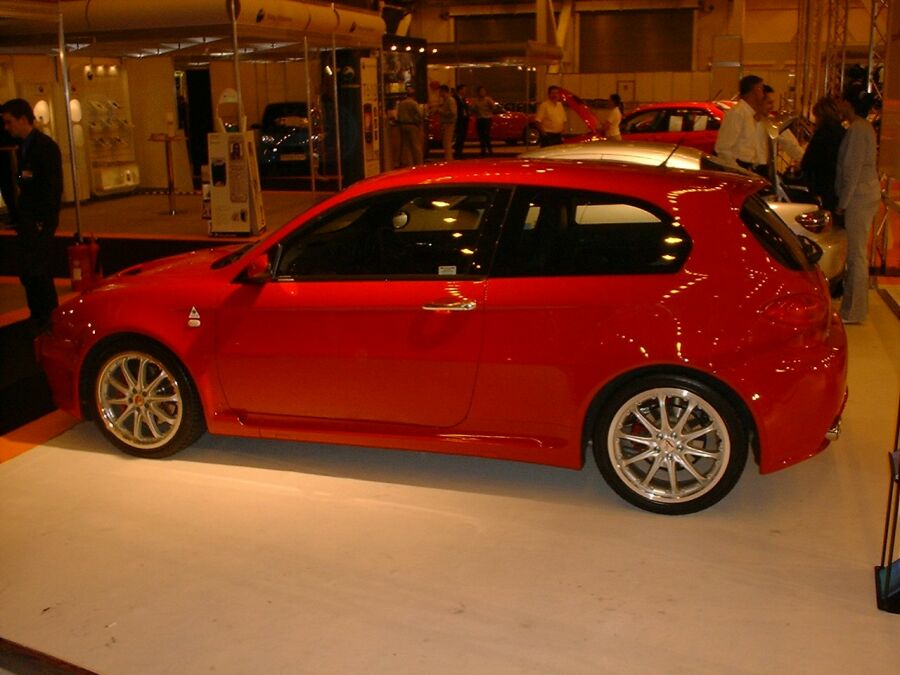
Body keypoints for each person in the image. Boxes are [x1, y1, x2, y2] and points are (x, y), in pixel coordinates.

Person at [1, 98, 62, 333]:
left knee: (39, 271)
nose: (7, 127)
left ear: (23, 119)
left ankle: (48, 317)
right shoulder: (23, 147)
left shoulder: (45, 148)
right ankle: (38, 315)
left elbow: (52, 188)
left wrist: (42, 220)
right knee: (29, 272)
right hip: (28, 219)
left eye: (9, 122)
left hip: (39, 220)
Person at [835, 90, 881, 324]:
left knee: (856, 255)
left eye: (842, 101)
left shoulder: (857, 130)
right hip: (865, 194)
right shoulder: (863, 128)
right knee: (857, 254)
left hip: (859, 197)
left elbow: (851, 170)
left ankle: (854, 310)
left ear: (849, 104)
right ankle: (853, 308)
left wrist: (842, 203)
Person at [714, 74, 767, 174]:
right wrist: (738, 170)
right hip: (741, 168)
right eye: (760, 89)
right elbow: (723, 148)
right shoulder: (737, 113)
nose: (763, 94)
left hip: (754, 169)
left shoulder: (753, 115)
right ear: (752, 92)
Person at [801, 96, 844, 212]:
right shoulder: (842, 132)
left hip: (823, 183)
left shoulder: (821, 134)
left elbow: (807, 162)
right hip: (838, 182)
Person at [757, 84, 804, 170]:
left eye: (773, 103)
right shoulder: (745, 120)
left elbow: (792, 146)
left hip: (765, 171)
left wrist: (804, 161)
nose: (772, 106)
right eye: (769, 103)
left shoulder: (772, 123)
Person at [395, 85, 423, 167]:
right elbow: (420, 114)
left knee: (406, 147)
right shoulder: (414, 103)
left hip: (403, 126)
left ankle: (409, 164)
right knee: (416, 146)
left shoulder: (401, 104)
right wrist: (418, 121)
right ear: (414, 96)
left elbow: (398, 115)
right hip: (413, 126)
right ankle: (419, 164)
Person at [433, 84, 457, 161]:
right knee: (445, 143)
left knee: (447, 143)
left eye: (440, 91)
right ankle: (448, 158)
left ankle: (449, 160)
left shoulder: (450, 100)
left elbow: (453, 113)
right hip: (445, 124)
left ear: (444, 91)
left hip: (449, 124)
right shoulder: (445, 100)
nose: (439, 93)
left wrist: (441, 111)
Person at [472, 86, 495, 157]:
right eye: (481, 91)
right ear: (478, 93)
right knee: (481, 136)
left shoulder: (488, 99)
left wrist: (491, 106)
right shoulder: (476, 100)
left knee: (487, 135)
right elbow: (473, 109)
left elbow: (493, 107)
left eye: (483, 91)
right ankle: (483, 150)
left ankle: (490, 150)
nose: (482, 93)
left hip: (487, 119)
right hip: (479, 119)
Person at [452, 84, 470, 159]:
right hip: (459, 120)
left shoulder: (463, 99)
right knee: (459, 137)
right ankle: (457, 152)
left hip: (464, 120)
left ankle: (459, 152)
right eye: (464, 89)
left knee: (462, 137)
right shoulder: (455, 98)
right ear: (460, 90)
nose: (465, 91)